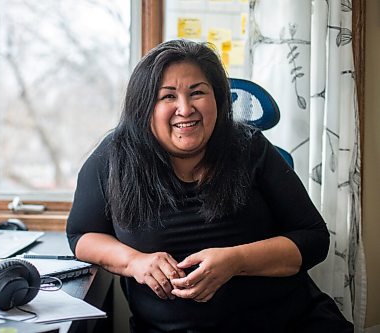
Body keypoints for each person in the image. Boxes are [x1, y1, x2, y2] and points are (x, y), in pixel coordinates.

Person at [66, 39, 353, 332]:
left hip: (288, 321)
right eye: (167, 97)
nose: (185, 108)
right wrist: (135, 262)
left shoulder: (248, 146)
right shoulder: (115, 156)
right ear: (145, 107)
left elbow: (313, 238)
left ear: (217, 98)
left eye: (197, 93)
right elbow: (82, 235)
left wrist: (236, 260)